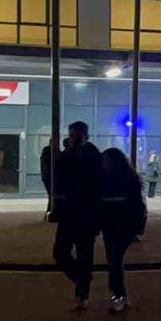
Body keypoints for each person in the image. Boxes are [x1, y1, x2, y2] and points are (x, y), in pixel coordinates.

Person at [53, 121, 103, 310]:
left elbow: (99, 185)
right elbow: (58, 180)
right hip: (69, 213)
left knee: (84, 255)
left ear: (85, 136)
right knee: (60, 252)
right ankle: (83, 278)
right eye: (72, 135)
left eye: (77, 135)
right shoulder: (66, 155)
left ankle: (82, 294)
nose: (73, 138)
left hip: (87, 213)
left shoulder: (94, 157)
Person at [99, 148, 146, 314]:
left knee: (114, 259)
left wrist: (138, 228)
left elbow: (138, 207)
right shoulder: (126, 179)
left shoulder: (121, 180)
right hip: (113, 226)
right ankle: (119, 295)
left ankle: (118, 295)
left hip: (122, 226)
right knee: (114, 260)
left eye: (106, 161)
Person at [40, 136, 57, 221]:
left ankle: (49, 212)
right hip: (48, 177)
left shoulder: (52, 151)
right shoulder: (48, 150)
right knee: (52, 194)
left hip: (48, 176)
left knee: (52, 195)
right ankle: (49, 212)